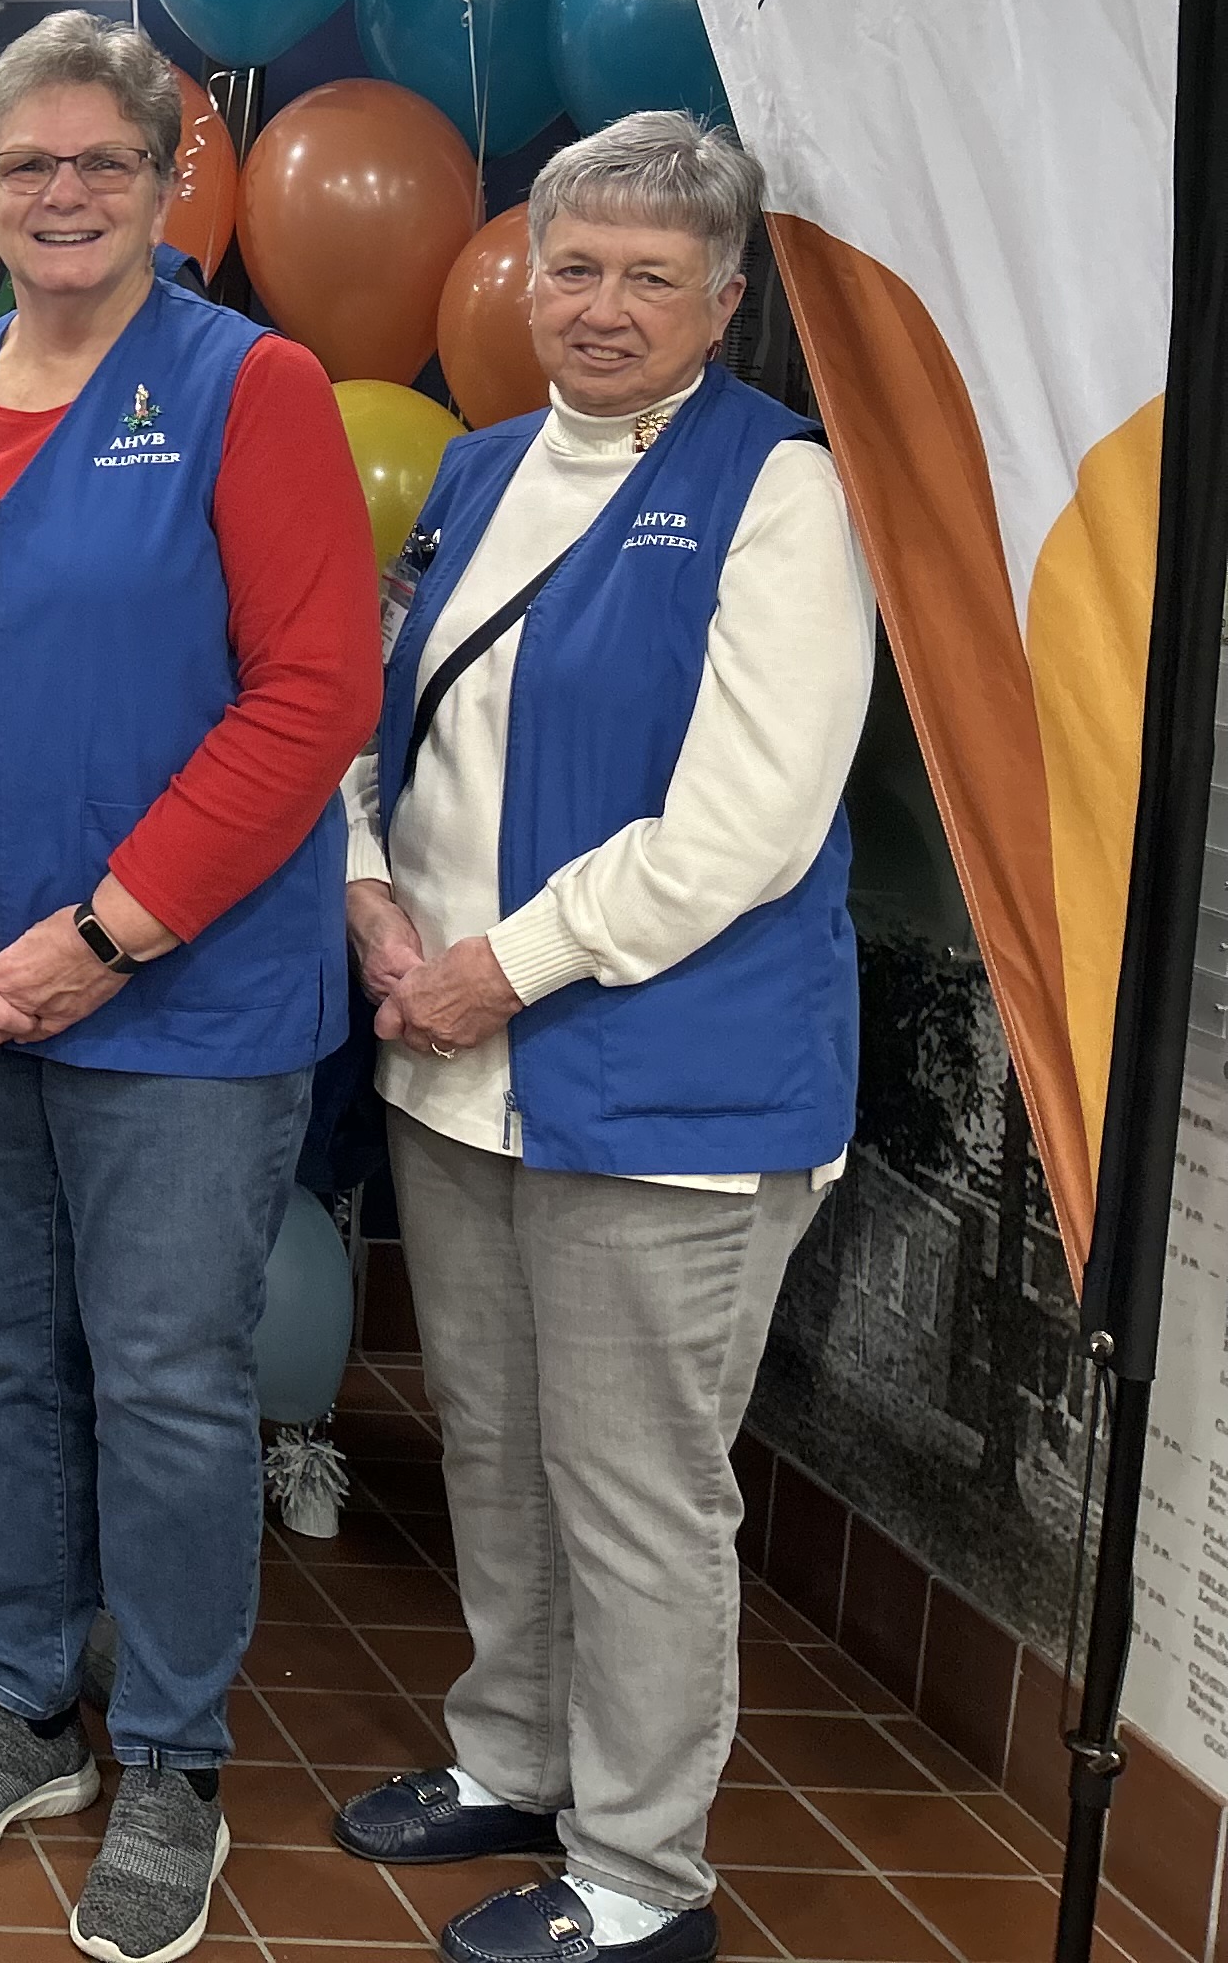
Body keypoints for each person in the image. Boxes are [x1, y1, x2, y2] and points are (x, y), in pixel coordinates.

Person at [0, 11, 375, 1963]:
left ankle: (177, 1761)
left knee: (176, 1392)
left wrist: (102, 931)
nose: (49, 195)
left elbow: (311, 701)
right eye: (16, 162)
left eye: (89, 164)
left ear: (164, 177)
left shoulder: (248, 387)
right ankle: (29, 1705)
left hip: (175, 1015)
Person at [329, 116, 869, 1963]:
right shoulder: (476, 473)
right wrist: (367, 888)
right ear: (523, 274)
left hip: (670, 1085)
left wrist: (502, 964)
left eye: (654, 273)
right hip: (456, 1057)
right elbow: (392, 728)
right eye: (576, 264)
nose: (606, 304)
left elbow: (745, 824)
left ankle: (640, 1869)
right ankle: (511, 1754)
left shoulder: (779, 486)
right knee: (491, 1438)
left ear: (726, 298)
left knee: (637, 1487)